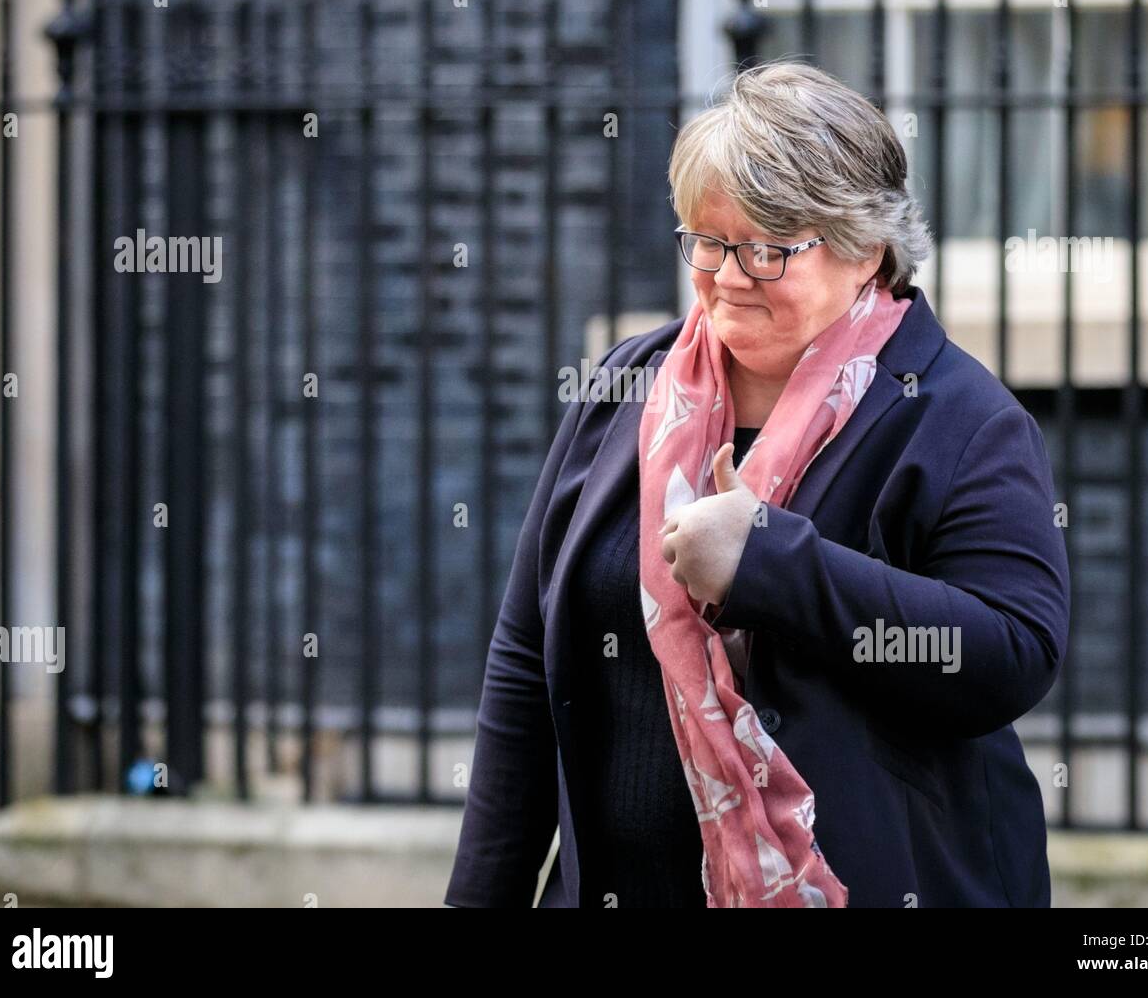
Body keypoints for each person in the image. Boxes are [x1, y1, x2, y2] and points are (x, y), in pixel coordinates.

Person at [444, 58, 1069, 908]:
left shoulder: (959, 418)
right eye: (710, 240)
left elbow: (1013, 654)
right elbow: (523, 663)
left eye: (771, 248)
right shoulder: (631, 386)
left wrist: (772, 563)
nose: (729, 276)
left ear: (867, 248)